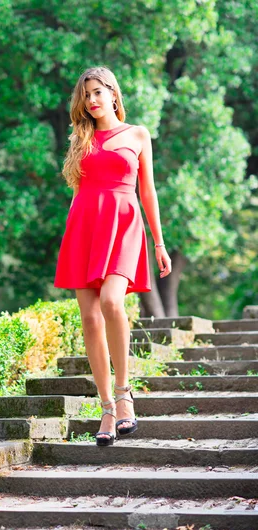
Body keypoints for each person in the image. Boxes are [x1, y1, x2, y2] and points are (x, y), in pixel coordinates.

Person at [54, 65, 172, 446]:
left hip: (124, 224)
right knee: (89, 317)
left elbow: (148, 192)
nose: (91, 100)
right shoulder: (80, 137)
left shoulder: (137, 134)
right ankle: (105, 407)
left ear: (113, 94)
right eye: (86, 95)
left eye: (97, 92)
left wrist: (159, 242)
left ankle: (124, 397)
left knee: (110, 302)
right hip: (85, 226)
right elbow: (79, 190)